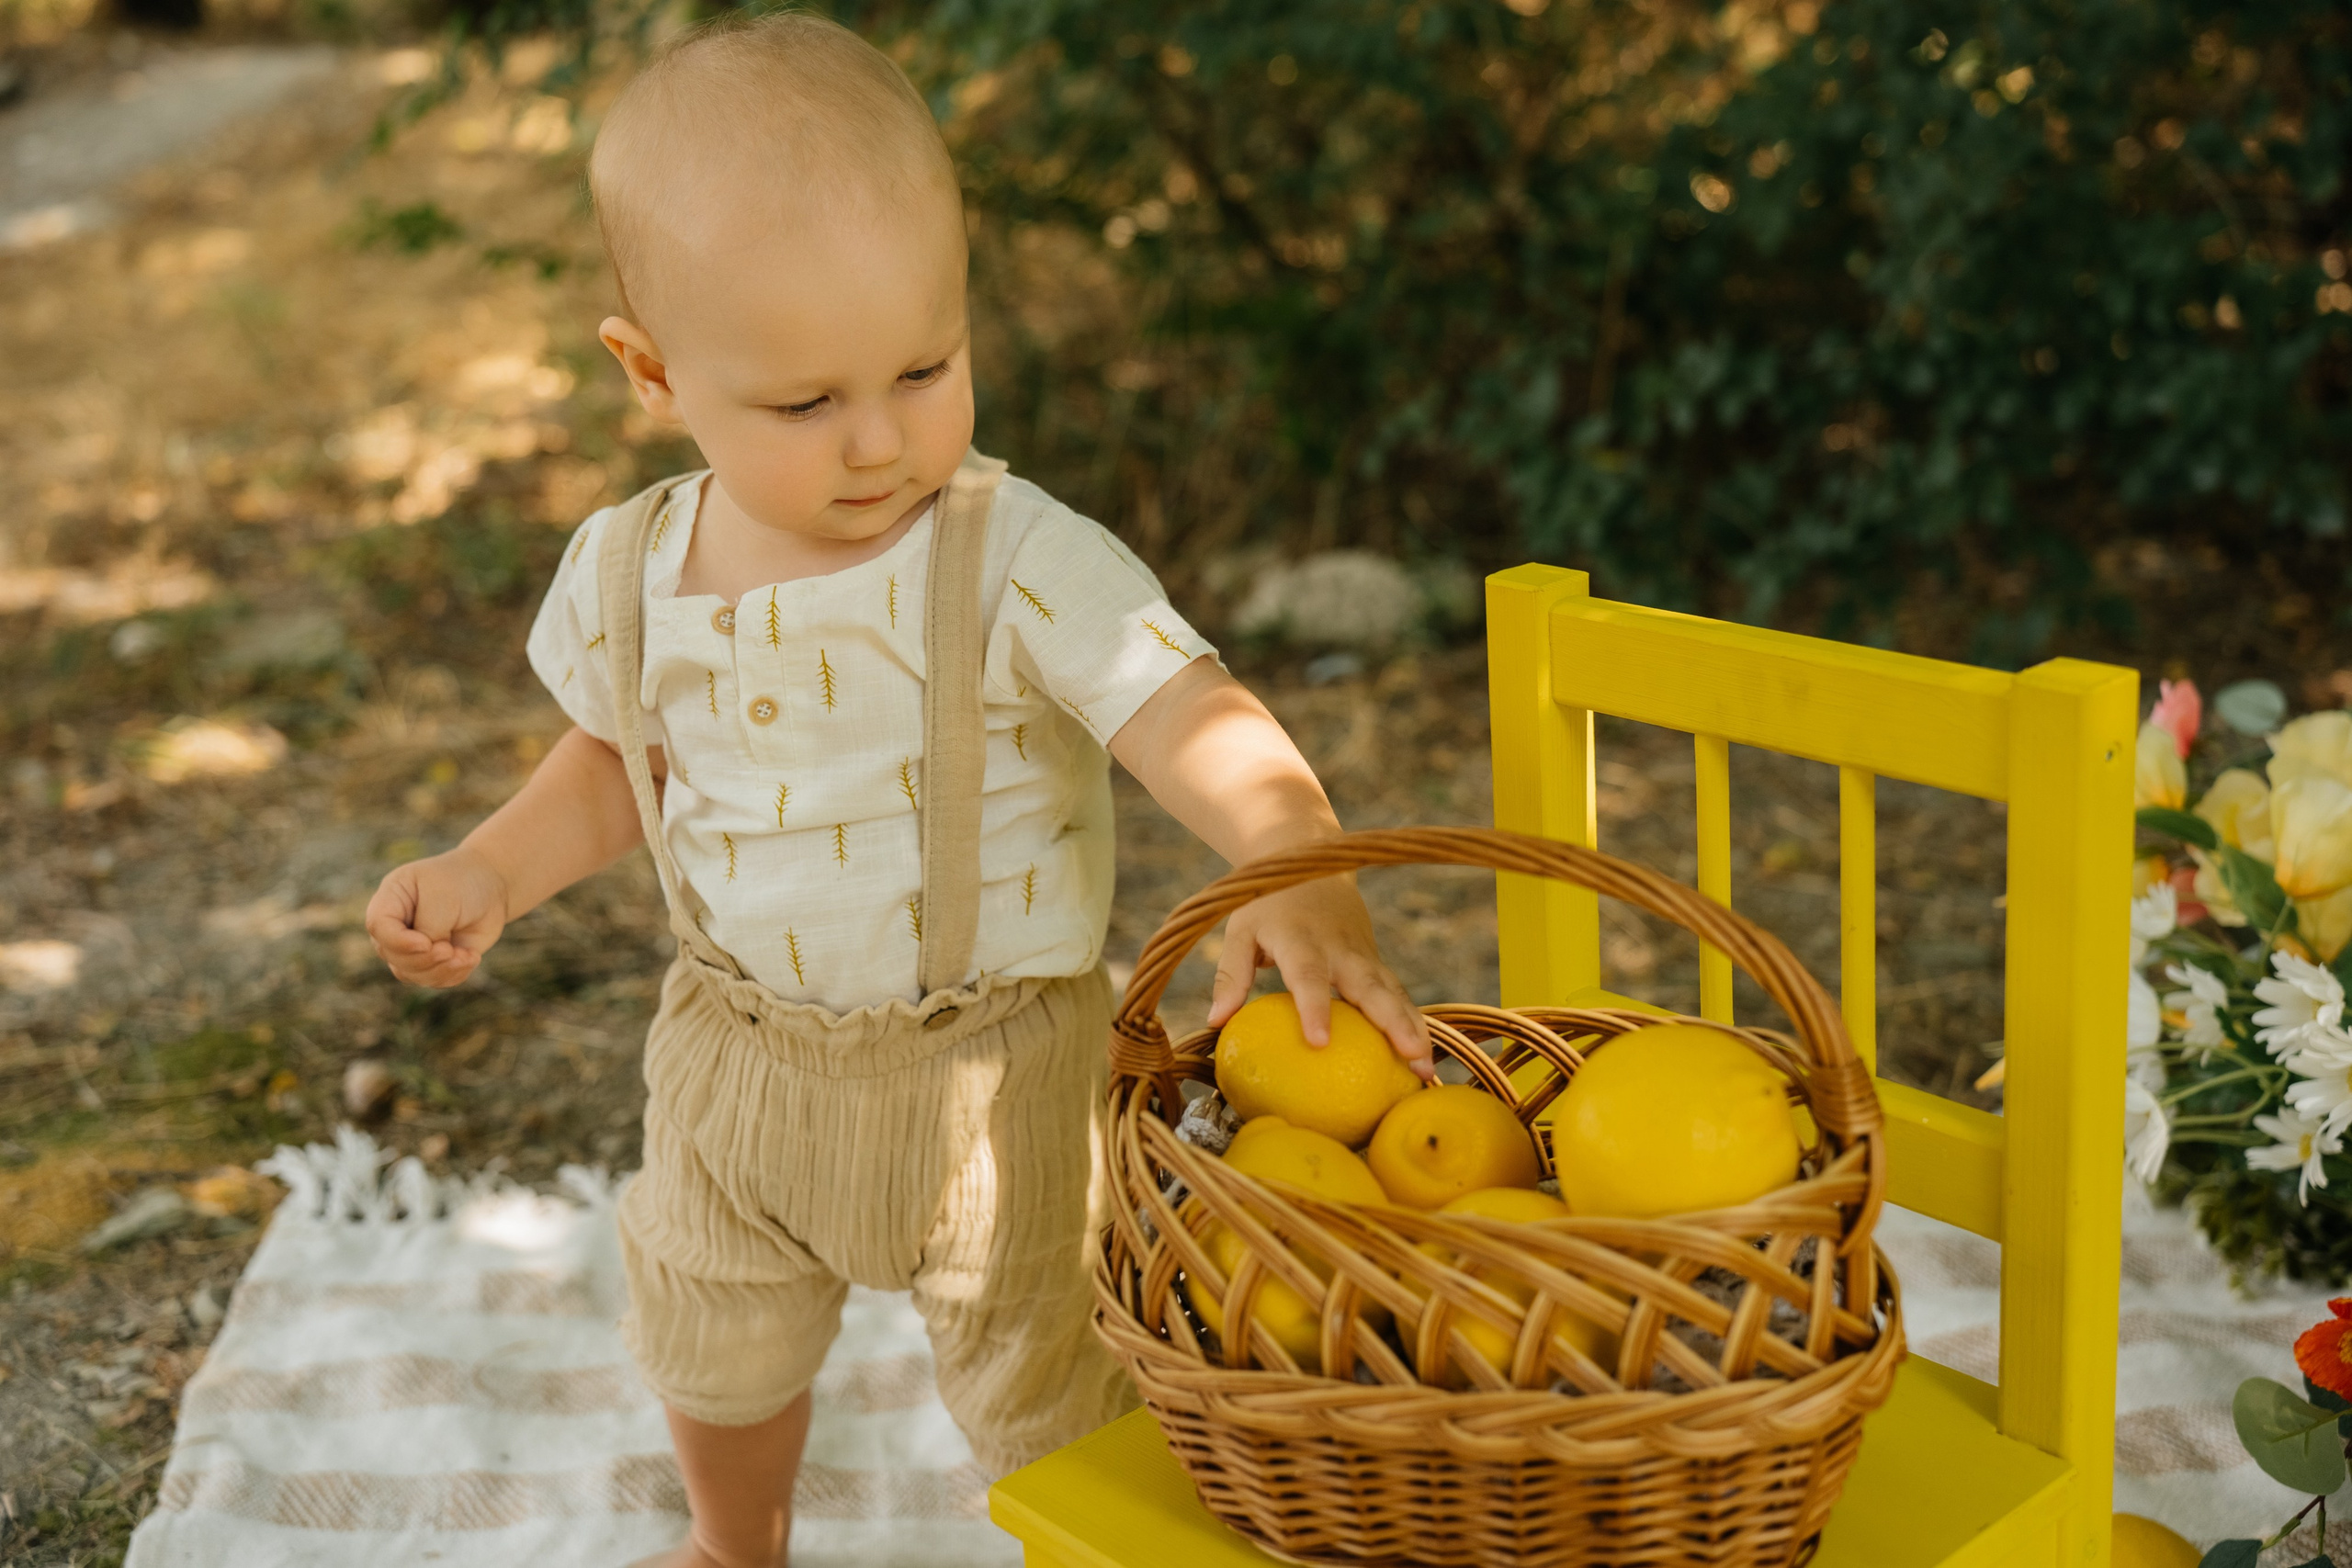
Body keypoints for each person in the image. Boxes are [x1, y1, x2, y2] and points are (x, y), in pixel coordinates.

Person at [363, 13, 1431, 1567]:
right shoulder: (629, 572)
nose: (880, 443)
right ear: (652, 373)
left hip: (1000, 1082)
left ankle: (1093, 1545)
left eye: (926, 369)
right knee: (709, 1343)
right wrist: (488, 869)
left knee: (1056, 1376)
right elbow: (613, 764)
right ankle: (739, 1544)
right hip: (737, 1068)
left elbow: (1185, 709)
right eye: (803, 406)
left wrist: (1294, 852)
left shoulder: (1013, 553)